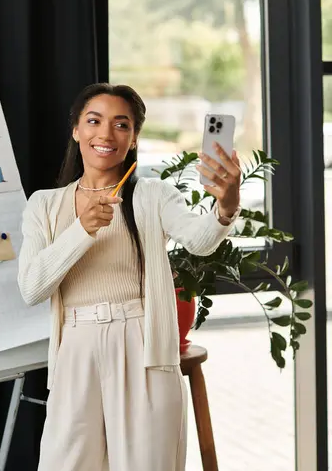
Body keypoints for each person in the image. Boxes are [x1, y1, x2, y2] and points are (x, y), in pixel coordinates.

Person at [18, 83, 241, 471]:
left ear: (134, 137)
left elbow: (199, 240)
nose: (106, 134)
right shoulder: (44, 205)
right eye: (94, 121)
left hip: (142, 345)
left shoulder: (153, 195)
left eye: (121, 124)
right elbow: (32, 287)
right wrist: (82, 230)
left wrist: (227, 205)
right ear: (76, 129)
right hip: (75, 347)